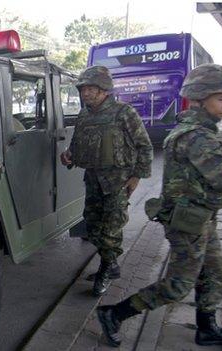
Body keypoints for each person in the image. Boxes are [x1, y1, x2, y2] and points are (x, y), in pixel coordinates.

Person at [96, 63, 222, 347]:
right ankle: (114, 313)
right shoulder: (196, 137)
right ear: (199, 99)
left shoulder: (196, 132)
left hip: (201, 218)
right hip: (188, 223)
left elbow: (214, 178)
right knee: (178, 286)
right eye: (221, 99)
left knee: (215, 271)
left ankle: (206, 328)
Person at [60, 65, 153, 296]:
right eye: (83, 89)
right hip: (92, 179)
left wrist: (137, 176)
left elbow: (145, 146)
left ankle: (105, 268)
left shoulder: (124, 113)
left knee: (111, 229)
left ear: (104, 90)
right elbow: (77, 144)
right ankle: (110, 264)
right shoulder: (83, 115)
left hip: (117, 181)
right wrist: (69, 156)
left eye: (90, 88)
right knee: (92, 226)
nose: (85, 93)